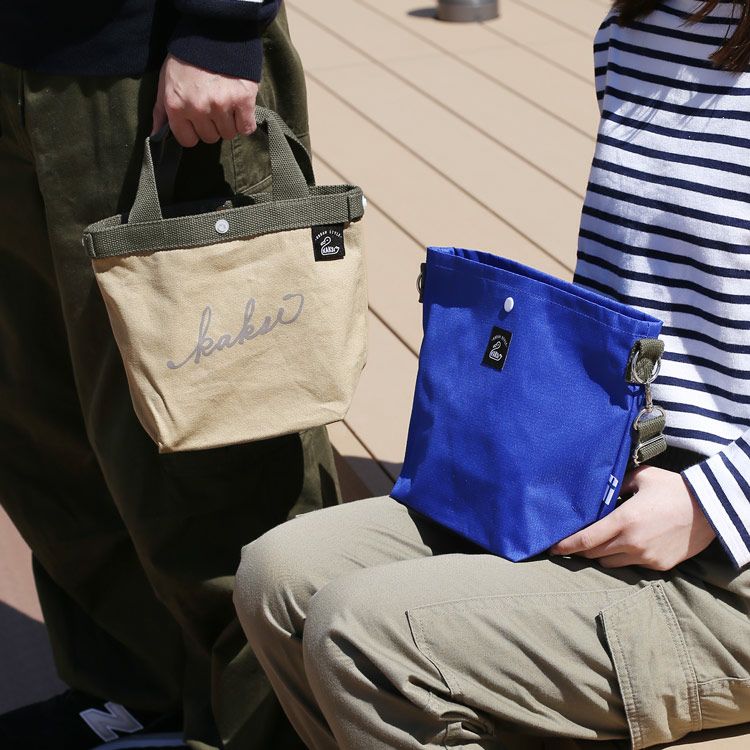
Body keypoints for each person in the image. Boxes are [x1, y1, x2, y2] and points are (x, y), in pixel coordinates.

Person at [234, 1, 750, 747]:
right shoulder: (637, 31)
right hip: (604, 488)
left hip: (728, 557)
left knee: (364, 634)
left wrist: (709, 502)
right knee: (278, 578)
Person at [0, 2, 340, 749]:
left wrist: (220, 25)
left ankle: (278, 728)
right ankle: (136, 690)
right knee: (42, 421)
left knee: (227, 447)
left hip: (144, 62)